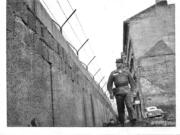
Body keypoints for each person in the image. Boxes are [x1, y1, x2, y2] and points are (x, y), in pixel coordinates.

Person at [107, 58, 137, 126]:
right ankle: (122, 122)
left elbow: (132, 83)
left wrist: (133, 91)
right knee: (120, 108)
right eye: (117, 63)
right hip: (118, 92)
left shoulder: (127, 72)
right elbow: (109, 85)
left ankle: (133, 119)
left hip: (127, 91)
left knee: (129, 105)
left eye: (119, 63)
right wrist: (111, 93)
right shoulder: (113, 73)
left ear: (122, 64)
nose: (117, 64)